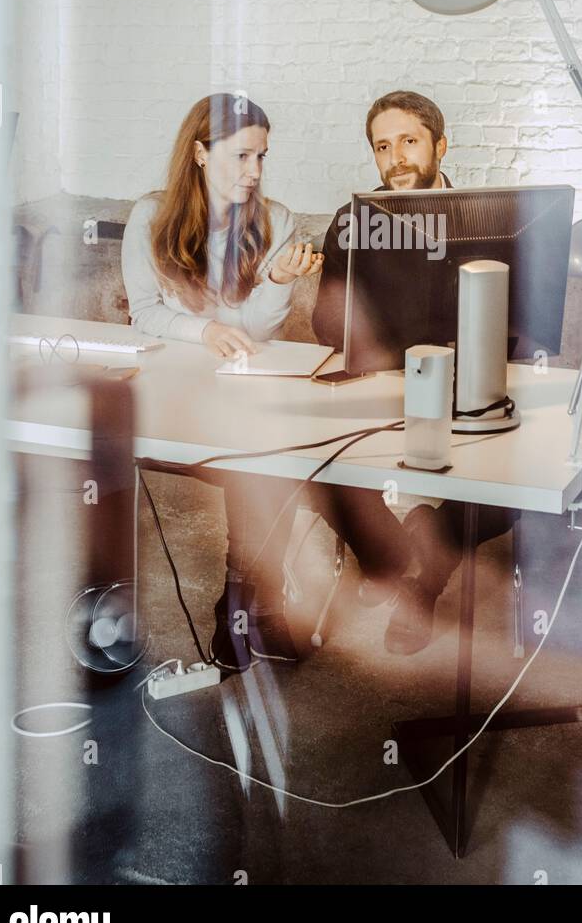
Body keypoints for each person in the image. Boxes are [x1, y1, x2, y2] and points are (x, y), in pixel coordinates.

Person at [312, 89, 519, 655]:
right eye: (383, 146)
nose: (396, 157)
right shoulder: (355, 220)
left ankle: (426, 579)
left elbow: (515, 329)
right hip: (382, 384)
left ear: (440, 146)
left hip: (472, 386)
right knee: (308, 467)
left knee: (513, 487)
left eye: (409, 141)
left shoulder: (494, 218)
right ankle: (384, 555)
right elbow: (326, 326)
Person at [121, 92, 323, 673]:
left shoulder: (276, 221)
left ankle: (248, 605)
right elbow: (144, 314)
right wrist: (206, 330)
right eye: (241, 157)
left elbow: (257, 330)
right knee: (257, 457)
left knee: (270, 453)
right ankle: (255, 609)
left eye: (262, 157)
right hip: (174, 388)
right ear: (201, 154)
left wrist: (279, 280)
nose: (255, 172)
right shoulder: (150, 216)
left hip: (243, 382)